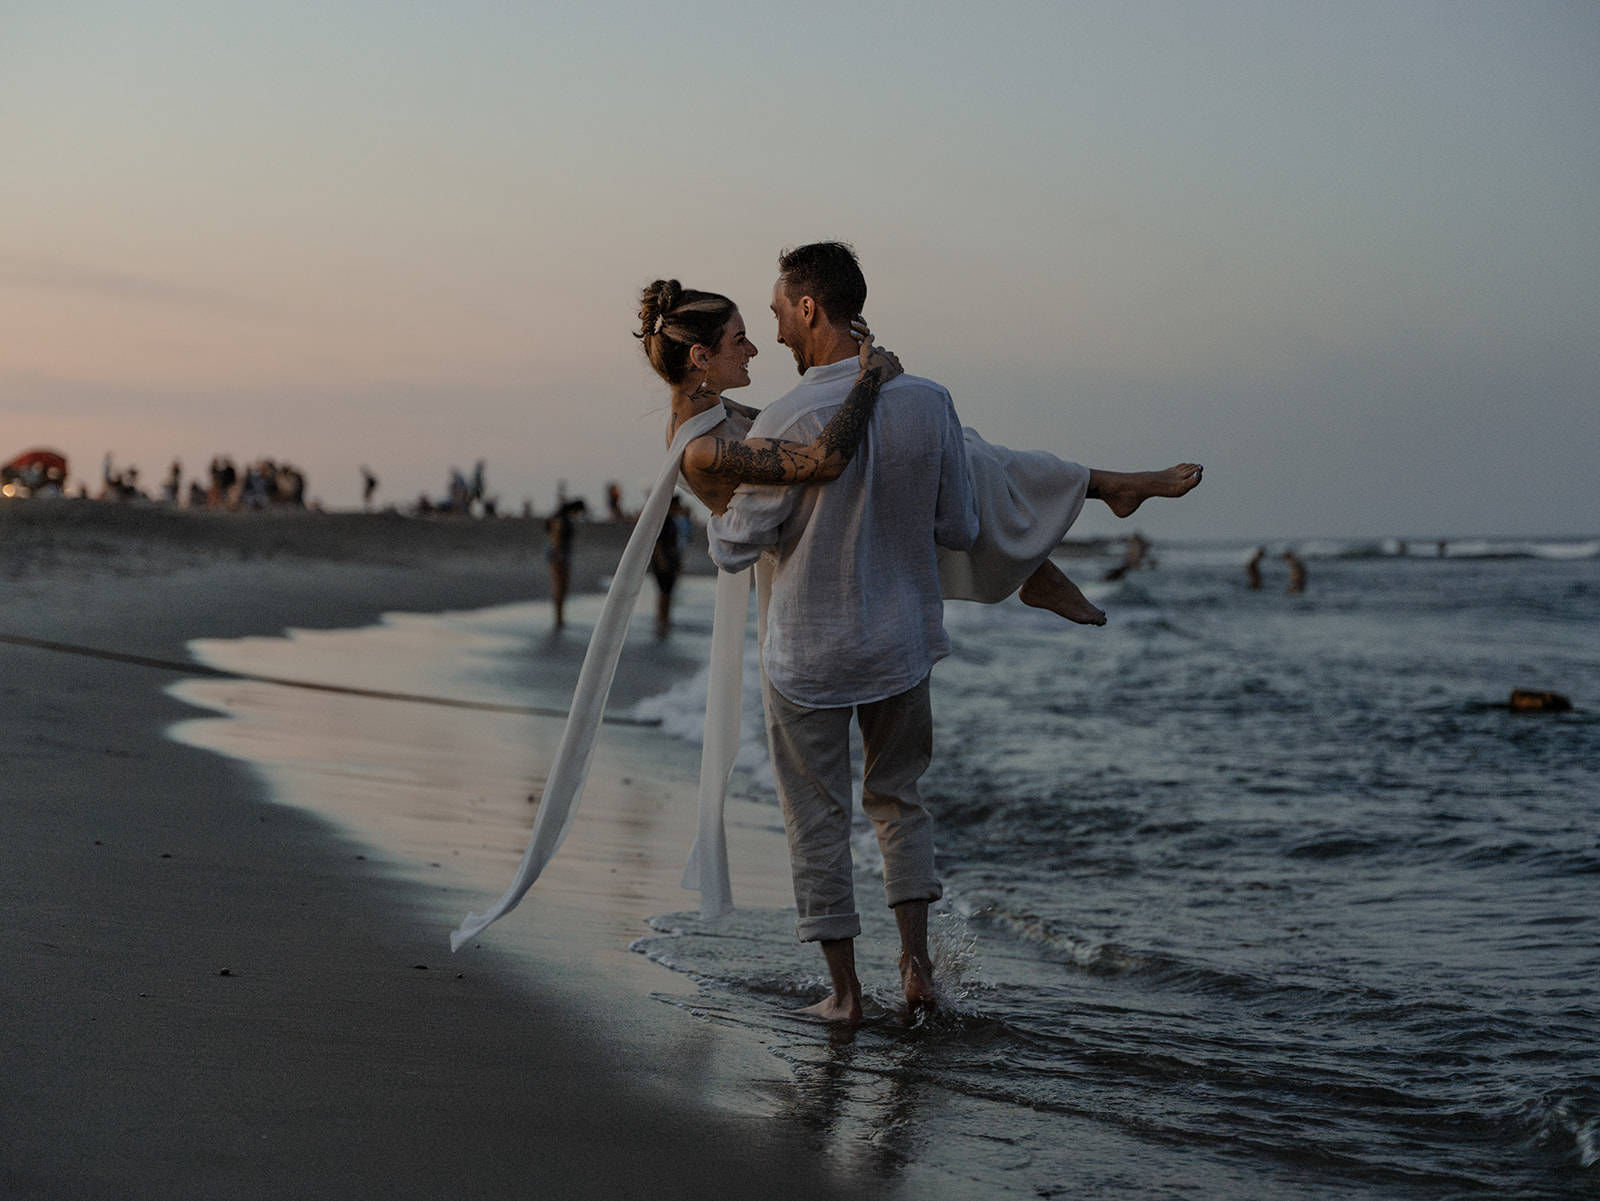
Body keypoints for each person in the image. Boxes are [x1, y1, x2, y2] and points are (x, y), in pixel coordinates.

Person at [706, 243, 977, 1021]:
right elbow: (959, 525)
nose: (775, 333)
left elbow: (734, 547)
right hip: (900, 642)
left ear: (808, 308)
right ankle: (917, 970)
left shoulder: (790, 415)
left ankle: (847, 993)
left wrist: (713, 489)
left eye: (777, 313)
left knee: (816, 814)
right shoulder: (930, 400)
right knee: (900, 800)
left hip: (808, 653)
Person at [650, 494, 692, 637]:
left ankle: (665, 617)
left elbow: (683, 540)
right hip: (664, 558)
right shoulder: (665, 521)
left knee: (668, 590)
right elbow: (658, 542)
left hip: (672, 558)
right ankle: (662, 617)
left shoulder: (676, 521)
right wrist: (661, 560)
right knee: (664, 589)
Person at [546, 499, 583, 629]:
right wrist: (557, 555)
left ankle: (560, 617)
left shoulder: (562, 518)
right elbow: (555, 537)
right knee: (559, 586)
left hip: (562, 554)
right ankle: (558, 617)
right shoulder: (560, 519)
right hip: (559, 555)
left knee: (563, 586)